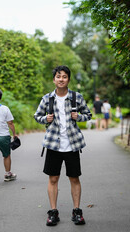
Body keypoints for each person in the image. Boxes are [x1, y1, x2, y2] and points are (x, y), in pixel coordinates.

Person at [34, 65, 92, 226]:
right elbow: (37, 115)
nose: (61, 79)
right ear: (54, 79)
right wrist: (45, 119)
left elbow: (88, 115)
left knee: (74, 178)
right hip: (53, 145)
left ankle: (77, 211)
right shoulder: (47, 98)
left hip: (72, 145)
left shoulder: (76, 97)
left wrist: (78, 116)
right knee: (53, 178)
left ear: (68, 79)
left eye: (64, 76)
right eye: (58, 76)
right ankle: (53, 212)